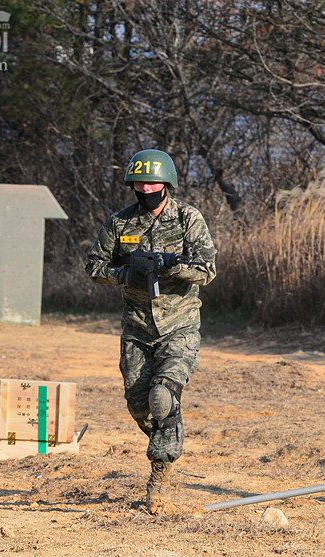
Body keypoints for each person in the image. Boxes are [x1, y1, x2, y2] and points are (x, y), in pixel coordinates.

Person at [85, 149, 217, 514]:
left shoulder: (188, 219)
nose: (146, 189)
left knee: (162, 397)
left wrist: (174, 268)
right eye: (140, 184)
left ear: (167, 184)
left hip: (179, 326)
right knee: (139, 405)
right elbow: (95, 266)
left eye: (153, 183)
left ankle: (159, 479)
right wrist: (126, 274)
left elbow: (207, 270)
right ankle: (168, 430)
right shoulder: (120, 223)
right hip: (138, 329)